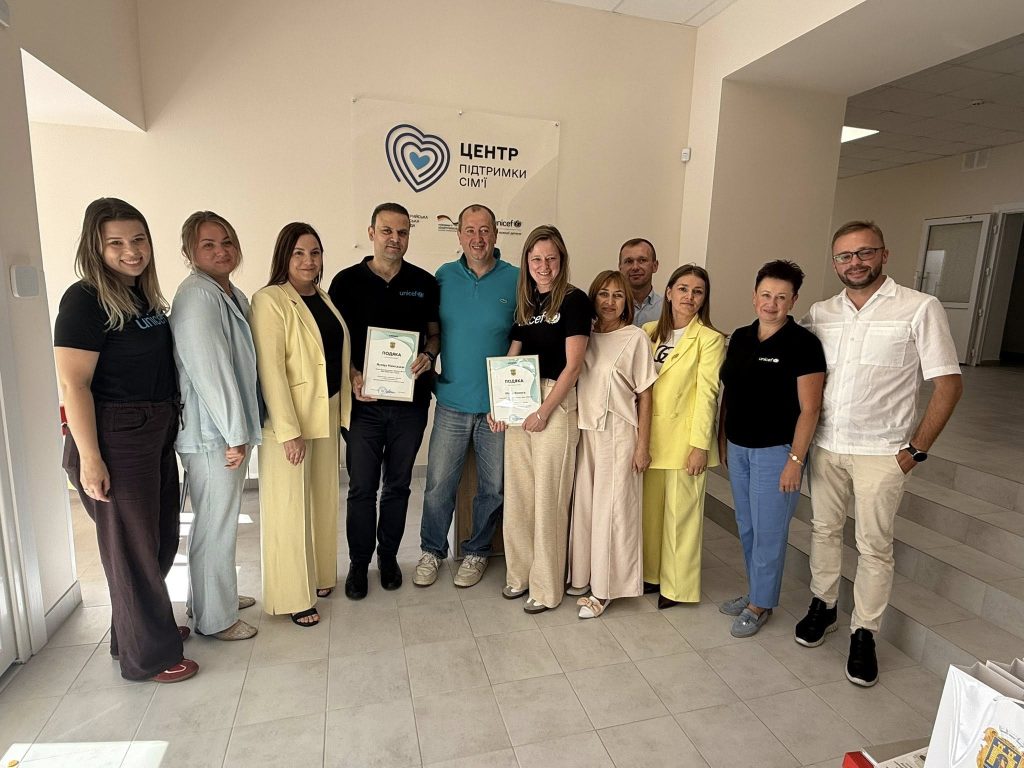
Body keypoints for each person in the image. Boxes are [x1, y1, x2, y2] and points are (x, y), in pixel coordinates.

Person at [797, 220, 962, 687]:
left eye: (865, 252)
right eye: (845, 256)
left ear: (884, 255)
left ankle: (864, 632)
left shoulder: (919, 307)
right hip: (826, 446)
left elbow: (948, 384)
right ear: (835, 262)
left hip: (883, 453)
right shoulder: (821, 313)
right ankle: (823, 605)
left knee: (874, 546)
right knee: (824, 530)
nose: (855, 263)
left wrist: (916, 450)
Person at [54, 198, 197, 683]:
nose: (131, 251)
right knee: (133, 550)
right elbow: (74, 384)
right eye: (115, 242)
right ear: (95, 247)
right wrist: (90, 458)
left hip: (154, 429)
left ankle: (135, 633)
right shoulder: (85, 299)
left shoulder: (140, 297)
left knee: (158, 540)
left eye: (138, 240)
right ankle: (149, 657)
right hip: (116, 436)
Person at [328, 203, 440, 600]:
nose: (395, 239)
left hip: (410, 405)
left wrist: (428, 355)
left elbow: (434, 334)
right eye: (387, 231)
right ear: (371, 233)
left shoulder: (424, 282)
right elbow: (335, 343)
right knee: (361, 488)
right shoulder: (345, 282)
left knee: (398, 485)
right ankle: (358, 563)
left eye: (403, 232)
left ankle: (388, 557)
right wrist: (352, 374)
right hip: (363, 405)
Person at [251, 222, 352, 627]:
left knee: (323, 499)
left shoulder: (322, 298)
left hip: (324, 409)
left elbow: (332, 355)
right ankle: (293, 596)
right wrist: (288, 431)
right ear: (284, 257)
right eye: (299, 253)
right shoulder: (269, 300)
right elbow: (271, 369)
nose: (309, 261)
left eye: (315, 252)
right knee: (289, 508)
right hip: (290, 420)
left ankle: (322, 574)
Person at [717, 260, 825, 637]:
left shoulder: (804, 345)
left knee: (769, 531)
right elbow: (730, 392)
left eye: (781, 297)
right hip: (739, 447)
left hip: (776, 452)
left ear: (793, 301)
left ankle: (761, 604)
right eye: (766, 295)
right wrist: (723, 439)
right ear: (754, 296)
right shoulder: (741, 337)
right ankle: (756, 592)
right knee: (747, 527)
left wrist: (795, 460)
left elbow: (810, 409)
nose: (772, 304)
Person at [414, 204, 518, 589]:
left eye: (485, 230)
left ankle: (477, 552)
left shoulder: (516, 279)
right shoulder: (443, 277)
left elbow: (526, 336)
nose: (478, 238)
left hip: (497, 409)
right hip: (452, 404)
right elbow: (432, 331)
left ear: (496, 234)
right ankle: (431, 551)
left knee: (493, 488)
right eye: (470, 230)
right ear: (458, 235)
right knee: (439, 485)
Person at [489, 225, 590, 613]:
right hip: (519, 400)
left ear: (561, 260)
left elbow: (574, 366)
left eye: (551, 258)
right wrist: (498, 404)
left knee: (549, 500)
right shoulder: (528, 304)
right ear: (526, 263)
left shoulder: (575, 301)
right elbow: (512, 356)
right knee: (519, 497)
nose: (544, 266)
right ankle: (519, 575)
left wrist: (544, 411)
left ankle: (546, 589)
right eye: (536, 259)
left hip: (554, 404)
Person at [170, 211, 262, 641]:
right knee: (215, 524)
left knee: (213, 520)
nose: (221, 251)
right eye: (208, 244)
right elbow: (210, 372)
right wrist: (235, 434)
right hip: (213, 435)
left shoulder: (229, 293)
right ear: (189, 251)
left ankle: (209, 601)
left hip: (222, 431)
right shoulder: (196, 297)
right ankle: (216, 620)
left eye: (227, 242)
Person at [568, 270, 657, 619]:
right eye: (603, 294)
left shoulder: (635, 338)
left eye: (618, 295)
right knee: (585, 508)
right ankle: (582, 577)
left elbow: (646, 395)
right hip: (585, 431)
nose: (609, 301)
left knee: (612, 513)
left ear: (627, 302)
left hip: (618, 434)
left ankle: (604, 591)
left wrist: (642, 446)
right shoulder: (585, 335)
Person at [642, 264, 725, 610]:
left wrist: (699, 446)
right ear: (669, 292)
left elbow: (708, 395)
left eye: (698, 291)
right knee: (650, 515)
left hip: (685, 442)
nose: (689, 297)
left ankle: (677, 586)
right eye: (683, 289)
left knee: (682, 519)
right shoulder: (648, 332)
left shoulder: (710, 339)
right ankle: (650, 574)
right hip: (648, 439)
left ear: (704, 299)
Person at [619, 238, 662, 327]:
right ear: (620, 268)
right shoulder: (609, 308)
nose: (635, 267)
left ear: (655, 266)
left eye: (642, 260)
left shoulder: (668, 309)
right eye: (629, 261)